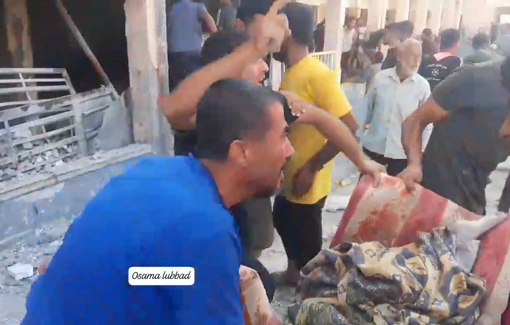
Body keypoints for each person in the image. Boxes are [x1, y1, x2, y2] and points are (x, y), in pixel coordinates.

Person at [161, 27, 385, 292]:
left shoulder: (265, 106)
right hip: (189, 229)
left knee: (250, 277)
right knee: (199, 279)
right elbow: (173, 110)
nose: (265, 67)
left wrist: (362, 161)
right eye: (256, 60)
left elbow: (326, 121)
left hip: (229, 213)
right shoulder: (203, 114)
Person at [271, 3, 365, 284]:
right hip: (291, 172)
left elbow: (348, 127)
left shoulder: (316, 73)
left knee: (307, 239)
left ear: (289, 31)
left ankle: (313, 292)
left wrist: (312, 167)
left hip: (308, 178)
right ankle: (293, 272)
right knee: (283, 220)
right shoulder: (292, 71)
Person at [399, 56, 510, 216]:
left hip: (474, 195)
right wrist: (414, 164)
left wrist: (503, 216)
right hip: (434, 191)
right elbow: (416, 120)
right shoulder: (473, 78)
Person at [362, 39, 432, 177]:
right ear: (399, 56)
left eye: (419, 55)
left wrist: (421, 154)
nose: (416, 60)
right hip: (373, 151)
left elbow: (427, 124)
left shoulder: (422, 86)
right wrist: (357, 146)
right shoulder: (380, 79)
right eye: (412, 55)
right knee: (367, 194)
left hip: (401, 157)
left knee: (395, 197)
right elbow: (365, 112)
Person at [167, 0, 217, 89]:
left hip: (173, 53)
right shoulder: (198, 6)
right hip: (191, 52)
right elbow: (210, 21)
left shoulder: (171, 9)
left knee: (177, 86)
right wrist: (217, 37)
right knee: (194, 85)